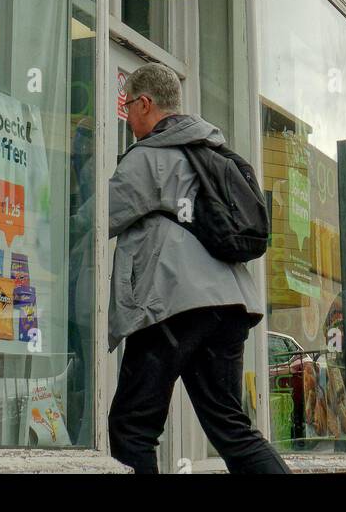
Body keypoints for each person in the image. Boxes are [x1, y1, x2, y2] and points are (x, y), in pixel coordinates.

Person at [107, 63, 289, 474]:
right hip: (230, 305)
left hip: (173, 304)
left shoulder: (150, 156)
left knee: (132, 425)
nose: (127, 115)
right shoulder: (209, 150)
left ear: (146, 103)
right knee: (231, 427)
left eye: (128, 105)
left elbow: (95, 218)